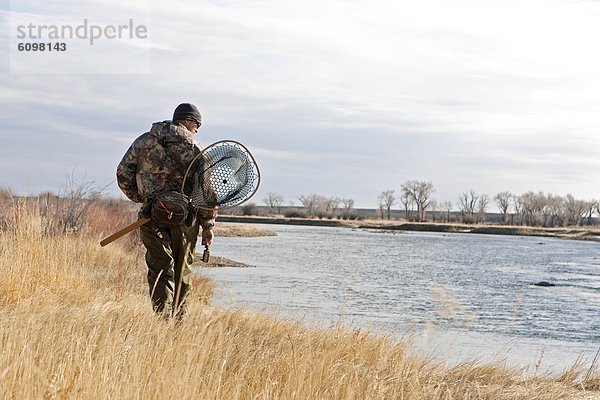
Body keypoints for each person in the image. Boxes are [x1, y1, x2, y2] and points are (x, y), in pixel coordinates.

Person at [116, 103, 216, 319]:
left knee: (159, 267)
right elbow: (207, 193)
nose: (196, 130)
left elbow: (123, 173)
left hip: (152, 217)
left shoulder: (143, 142)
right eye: (197, 125)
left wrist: (143, 200)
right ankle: (177, 322)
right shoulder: (196, 149)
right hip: (185, 220)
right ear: (189, 122)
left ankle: (161, 319)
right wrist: (208, 226)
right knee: (182, 271)